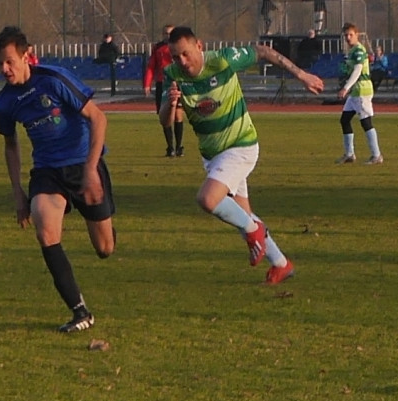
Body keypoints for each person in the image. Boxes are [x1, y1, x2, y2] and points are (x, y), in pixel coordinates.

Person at [163, 26, 324, 285]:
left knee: (208, 199)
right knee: (241, 214)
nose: (181, 61)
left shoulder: (223, 60)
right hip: (213, 155)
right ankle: (282, 264)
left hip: (241, 145)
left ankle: (254, 231)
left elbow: (262, 51)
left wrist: (301, 74)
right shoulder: (172, 75)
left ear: (199, 46)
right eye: (175, 57)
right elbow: (164, 121)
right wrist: (170, 104)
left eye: (185, 54)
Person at [0, 25, 116, 333]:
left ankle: (101, 222)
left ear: (27, 55)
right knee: (46, 233)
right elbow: (10, 144)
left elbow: (98, 118)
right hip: (47, 171)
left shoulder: (54, 79)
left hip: (83, 165)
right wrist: (18, 192)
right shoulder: (5, 102)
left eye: (9, 61)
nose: (4, 69)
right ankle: (80, 312)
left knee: (105, 249)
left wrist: (91, 169)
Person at [335, 22, 382, 165]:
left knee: (366, 122)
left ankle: (376, 155)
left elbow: (358, 70)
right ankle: (349, 154)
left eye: (351, 34)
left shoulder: (359, 50)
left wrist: (346, 87)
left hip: (362, 90)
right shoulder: (352, 51)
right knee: (345, 120)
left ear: (357, 35)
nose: (348, 38)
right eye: (346, 35)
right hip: (355, 91)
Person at [143, 24, 185, 157]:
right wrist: (147, 84)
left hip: (177, 83)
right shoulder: (158, 47)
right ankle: (170, 147)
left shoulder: (179, 46)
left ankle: (179, 147)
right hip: (162, 84)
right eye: (165, 33)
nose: (168, 36)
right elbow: (151, 66)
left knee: (178, 114)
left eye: (170, 33)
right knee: (165, 114)